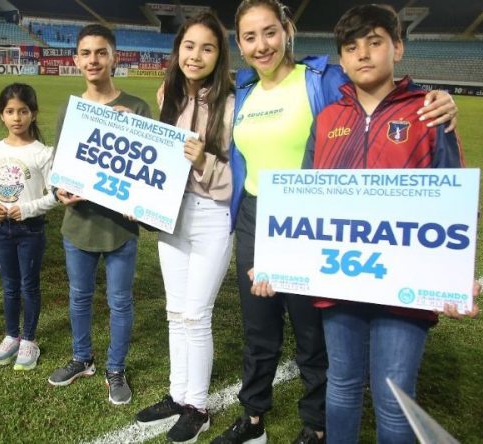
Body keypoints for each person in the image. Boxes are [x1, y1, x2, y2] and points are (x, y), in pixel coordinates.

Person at [212, 1, 459, 443]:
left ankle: (316, 423)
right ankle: (252, 416)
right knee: (258, 324)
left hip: (319, 222)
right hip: (257, 215)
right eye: (250, 37)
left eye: (270, 32)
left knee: (312, 332)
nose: (261, 44)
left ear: (287, 31)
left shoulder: (322, 78)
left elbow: (378, 96)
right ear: (240, 45)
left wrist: (437, 99)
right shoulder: (245, 89)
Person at [298, 6, 479, 443]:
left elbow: (454, 197)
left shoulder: (429, 113)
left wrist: (460, 274)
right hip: (340, 275)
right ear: (341, 59)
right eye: (351, 47)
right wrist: (280, 259)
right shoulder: (326, 121)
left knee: (395, 395)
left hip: (406, 282)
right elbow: (303, 198)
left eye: (374, 42)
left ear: (397, 47)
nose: (363, 54)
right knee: (341, 386)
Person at [133, 13, 234, 443]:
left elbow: (237, 178)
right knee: (175, 312)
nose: (196, 55)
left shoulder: (232, 103)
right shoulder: (167, 94)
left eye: (207, 48)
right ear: (178, 50)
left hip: (214, 215)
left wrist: (203, 160)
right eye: (189, 46)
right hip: (172, 214)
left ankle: (198, 407)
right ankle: (178, 395)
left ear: (219, 55)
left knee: (197, 314)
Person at [47, 24, 151, 406]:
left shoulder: (137, 107)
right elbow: (60, 169)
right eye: (86, 53)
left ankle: (115, 368)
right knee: (79, 297)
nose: (94, 60)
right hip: (79, 225)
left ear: (113, 57)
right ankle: (82, 358)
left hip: (119, 226)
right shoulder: (69, 110)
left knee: (120, 301)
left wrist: (133, 128)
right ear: (76, 60)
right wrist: (59, 191)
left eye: (101, 52)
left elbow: (148, 174)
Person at [0, 83, 56, 371]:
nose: (17, 118)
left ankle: (29, 339)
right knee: (9, 286)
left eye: (23, 111)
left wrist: (26, 209)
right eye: (10, 111)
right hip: (2, 228)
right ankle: (11, 335)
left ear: (33, 114)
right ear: (1, 115)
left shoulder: (42, 153)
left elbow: (55, 195)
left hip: (31, 230)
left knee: (28, 285)